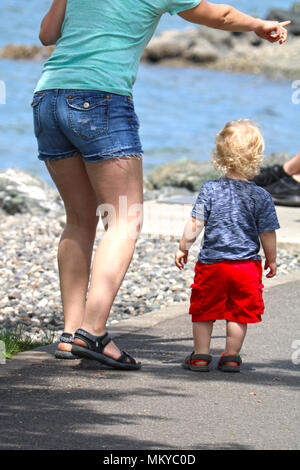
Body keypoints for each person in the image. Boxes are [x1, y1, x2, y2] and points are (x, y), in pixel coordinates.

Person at [32, 0, 289, 370]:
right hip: (100, 98)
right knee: (125, 220)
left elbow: (46, 35)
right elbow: (221, 15)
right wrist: (256, 26)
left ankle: (71, 334)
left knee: (79, 219)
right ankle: (93, 332)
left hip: (47, 99)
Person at [175, 119, 280, 372]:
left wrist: (183, 247)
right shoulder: (261, 196)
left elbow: (195, 222)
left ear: (220, 154)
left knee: (204, 310)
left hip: (213, 265)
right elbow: (267, 232)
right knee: (238, 313)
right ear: (256, 157)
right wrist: (272, 258)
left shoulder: (210, 190)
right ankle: (231, 356)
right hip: (246, 267)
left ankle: (201, 356)